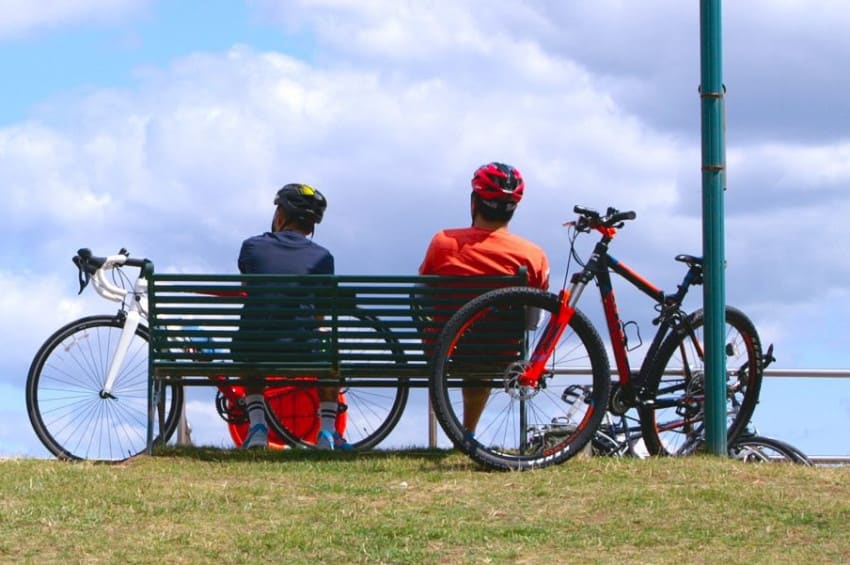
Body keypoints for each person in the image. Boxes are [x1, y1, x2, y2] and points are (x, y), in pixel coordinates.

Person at [419, 162, 550, 434]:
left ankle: (460, 431)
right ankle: (468, 432)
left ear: (474, 202)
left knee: (455, 336)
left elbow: (425, 294)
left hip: (445, 349)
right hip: (500, 352)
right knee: (483, 351)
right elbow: (534, 318)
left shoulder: (443, 242)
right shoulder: (531, 254)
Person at [237, 183, 350, 450]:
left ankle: (257, 426)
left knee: (246, 341)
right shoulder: (323, 257)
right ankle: (326, 433)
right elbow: (321, 311)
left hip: (255, 350)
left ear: (280, 215)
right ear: (312, 226)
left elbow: (249, 290)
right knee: (329, 352)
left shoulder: (251, 247)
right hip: (305, 352)